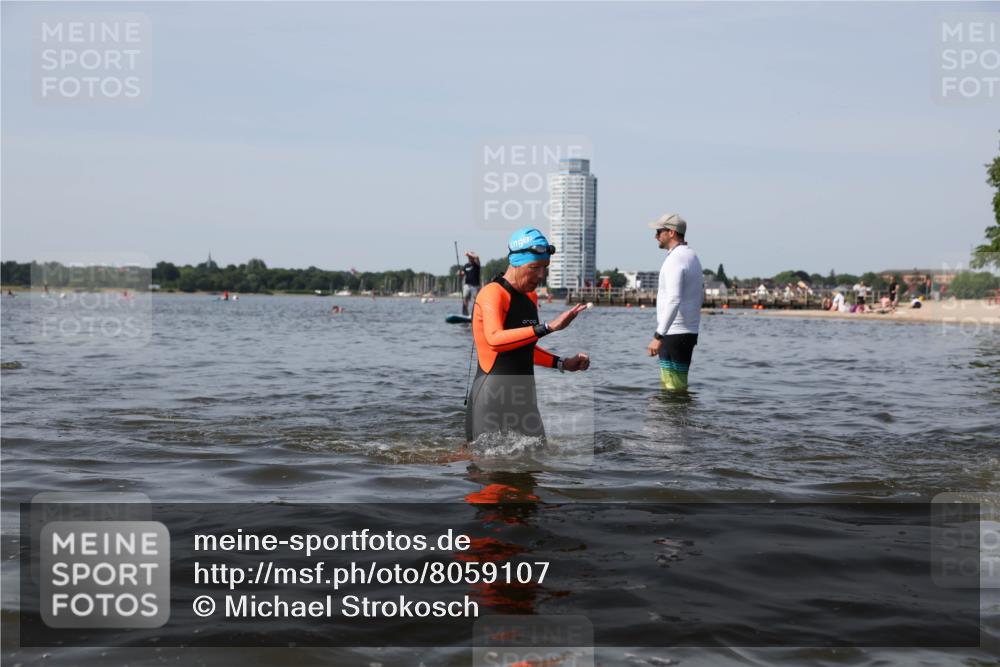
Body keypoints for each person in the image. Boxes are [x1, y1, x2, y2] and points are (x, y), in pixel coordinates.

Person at [465, 228, 590, 443]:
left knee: (534, 468)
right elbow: (494, 340)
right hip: (491, 398)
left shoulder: (530, 297)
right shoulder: (492, 293)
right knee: (490, 471)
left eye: (545, 268)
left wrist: (562, 363)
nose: (541, 275)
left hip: (525, 401)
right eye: (534, 267)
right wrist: (548, 327)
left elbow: (525, 348)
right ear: (516, 262)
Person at [646, 213, 703, 391]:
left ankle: (672, 419)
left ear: (671, 233)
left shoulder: (675, 259)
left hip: (673, 332)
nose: (656, 236)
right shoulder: (691, 256)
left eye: (659, 231)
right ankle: (679, 418)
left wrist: (658, 336)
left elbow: (674, 299)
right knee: (678, 386)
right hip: (687, 331)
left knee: (671, 387)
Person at [459, 251, 481, 316]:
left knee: (476, 300)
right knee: (465, 298)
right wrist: (460, 274)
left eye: (470, 257)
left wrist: (468, 253)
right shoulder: (466, 265)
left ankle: (476, 314)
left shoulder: (477, 264)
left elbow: (477, 257)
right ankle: (465, 313)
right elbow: (463, 273)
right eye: (468, 257)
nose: (469, 258)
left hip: (475, 286)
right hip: (467, 285)